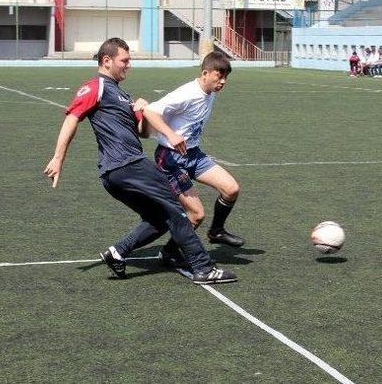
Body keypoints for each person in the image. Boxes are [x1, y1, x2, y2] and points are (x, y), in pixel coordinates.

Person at [43, 37, 236, 285]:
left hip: (116, 174)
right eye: (124, 60)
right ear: (106, 60)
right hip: (128, 164)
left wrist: (142, 110)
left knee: (158, 219)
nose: (129, 65)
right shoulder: (96, 86)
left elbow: (142, 131)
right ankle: (202, 267)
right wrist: (58, 158)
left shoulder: (121, 94)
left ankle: (117, 253)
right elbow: (72, 117)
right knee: (177, 210)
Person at [143, 52, 244, 265]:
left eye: (226, 77)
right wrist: (171, 134)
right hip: (170, 158)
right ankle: (169, 251)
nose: (223, 81)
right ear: (205, 73)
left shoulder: (210, 92)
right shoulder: (187, 93)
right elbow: (150, 111)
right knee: (196, 214)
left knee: (231, 189)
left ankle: (216, 231)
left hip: (193, 154)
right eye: (220, 76)